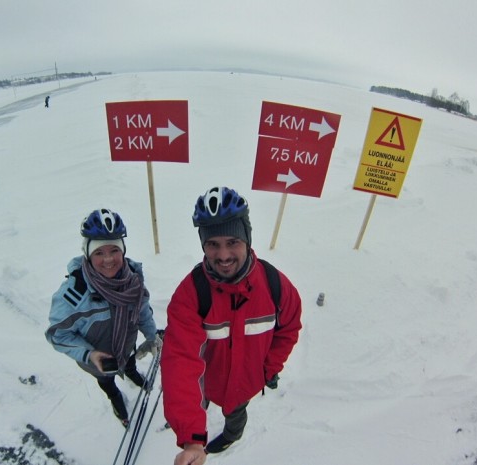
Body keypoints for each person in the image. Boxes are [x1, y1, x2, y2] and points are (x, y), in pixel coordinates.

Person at [161, 186, 303, 464]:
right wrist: (191, 439)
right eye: (213, 244)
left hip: (246, 385)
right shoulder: (191, 294)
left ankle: (231, 436)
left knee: (236, 418)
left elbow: (288, 329)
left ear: (247, 239)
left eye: (232, 242)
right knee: (197, 406)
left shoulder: (276, 285)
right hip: (207, 385)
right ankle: (203, 431)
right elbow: (180, 361)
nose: (223, 255)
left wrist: (266, 371)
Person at [46, 208, 162, 426]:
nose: (108, 259)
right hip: (98, 362)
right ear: (88, 254)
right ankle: (116, 399)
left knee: (128, 360)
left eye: (114, 250)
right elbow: (58, 335)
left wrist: (150, 335)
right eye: (99, 253)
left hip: (126, 344)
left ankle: (132, 373)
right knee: (107, 381)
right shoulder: (75, 294)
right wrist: (90, 355)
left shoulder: (133, 279)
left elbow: (143, 308)